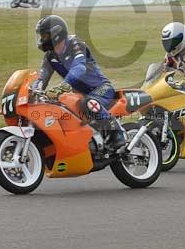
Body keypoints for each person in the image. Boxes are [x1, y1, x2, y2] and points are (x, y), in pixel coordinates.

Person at [33, 15, 126, 151]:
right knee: (60, 108)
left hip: (102, 88)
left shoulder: (76, 44)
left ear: (56, 34)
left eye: (45, 35)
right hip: (79, 94)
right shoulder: (50, 56)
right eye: (41, 35)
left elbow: (79, 67)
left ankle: (117, 132)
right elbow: (42, 77)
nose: (42, 39)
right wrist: (34, 90)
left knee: (87, 103)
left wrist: (63, 86)